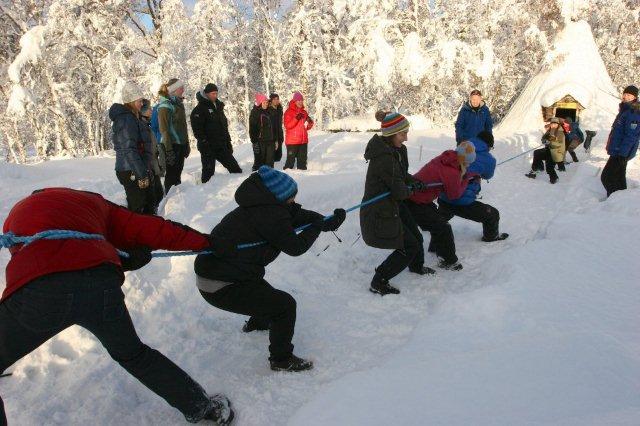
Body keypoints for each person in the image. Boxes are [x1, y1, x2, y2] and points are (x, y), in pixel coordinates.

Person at [0, 188, 235, 425]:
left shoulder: (19, 212)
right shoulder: (95, 203)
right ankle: (204, 409)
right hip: (99, 286)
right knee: (134, 355)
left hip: (39, 291)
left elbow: (40, 256)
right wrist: (207, 242)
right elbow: (152, 229)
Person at [194, 166, 346, 372]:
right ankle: (281, 360)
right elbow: (295, 247)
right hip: (220, 284)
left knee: (266, 294)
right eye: (291, 199)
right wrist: (317, 226)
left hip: (231, 274)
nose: (293, 202)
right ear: (279, 199)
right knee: (284, 306)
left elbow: (296, 216)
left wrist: (327, 222)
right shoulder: (269, 215)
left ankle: (258, 323)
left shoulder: (261, 206)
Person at [360, 111, 438, 297]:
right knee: (408, 245)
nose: (406, 137)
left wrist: (413, 181)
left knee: (416, 237)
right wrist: (411, 188)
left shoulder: (397, 150)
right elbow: (400, 191)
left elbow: (401, 178)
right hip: (381, 209)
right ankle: (379, 280)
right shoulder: (385, 158)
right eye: (403, 134)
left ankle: (416, 267)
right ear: (391, 134)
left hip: (393, 204)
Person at [405, 142, 476, 271]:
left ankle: (437, 249)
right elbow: (454, 195)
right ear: (462, 161)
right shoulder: (452, 172)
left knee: (438, 221)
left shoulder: (445, 158)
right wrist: (465, 179)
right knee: (443, 227)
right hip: (414, 201)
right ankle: (449, 261)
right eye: (468, 163)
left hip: (417, 198)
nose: (469, 165)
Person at [438, 131, 509, 243]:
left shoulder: (461, 147)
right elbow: (488, 175)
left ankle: (436, 222)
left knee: (446, 209)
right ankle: (491, 237)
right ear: (489, 146)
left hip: (443, 198)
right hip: (462, 203)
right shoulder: (489, 159)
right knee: (493, 214)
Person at [110, 81, 155, 214]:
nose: (142, 104)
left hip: (135, 168)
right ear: (130, 100)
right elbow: (129, 149)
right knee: (138, 208)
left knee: (146, 204)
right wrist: (141, 174)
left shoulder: (132, 117)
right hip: (130, 169)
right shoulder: (126, 119)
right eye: (139, 101)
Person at [190, 83, 242, 183]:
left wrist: (228, 142)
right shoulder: (199, 109)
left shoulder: (218, 107)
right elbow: (197, 130)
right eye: (213, 93)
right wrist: (205, 142)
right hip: (207, 147)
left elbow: (224, 127)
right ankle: (204, 194)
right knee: (208, 175)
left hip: (221, 145)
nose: (215, 95)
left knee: (236, 169)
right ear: (206, 94)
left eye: (216, 93)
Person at [601, 85, 640, 197]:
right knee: (619, 178)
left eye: (629, 95)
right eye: (625, 94)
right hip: (618, 151)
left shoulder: (633, 112)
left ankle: (613, 200)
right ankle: (620, 202)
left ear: (634, 97)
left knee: (606, 177)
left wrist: (622, 155)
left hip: (621, 152)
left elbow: (631, 136)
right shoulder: (625, 110)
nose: (626, 96)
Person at [158, 78, 191, 194]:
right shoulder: (165, 106)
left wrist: (186, 144)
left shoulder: (178, 103)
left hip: (180, 145)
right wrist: (169, 150)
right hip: (171, 146)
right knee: (172, 175)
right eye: (181, 87)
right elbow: (164, 130)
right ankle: (169, 199)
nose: (183, 89)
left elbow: (182, 126)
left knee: (178, 173)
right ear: (174, 90)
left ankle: (177, 198)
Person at [141, 99, 165, 212]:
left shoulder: (147, 125)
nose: (151, 111)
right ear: (142, 111)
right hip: (148, 168)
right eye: (149, 109)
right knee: (154, 196)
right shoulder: (142, 126)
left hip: (153, 166)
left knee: (159, 194)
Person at [525, 117, 566, 184]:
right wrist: (544, 140)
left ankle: (554, 178)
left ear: (558, 124)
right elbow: (544, 137)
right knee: (537, 153)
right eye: (552, 123)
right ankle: (537, 169)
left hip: (556, 152)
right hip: (549, 149)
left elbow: (559, 143)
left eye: (555, 124)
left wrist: (550, 142)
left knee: (549, 165)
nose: (553, 125)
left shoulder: (560, 132)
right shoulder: (550, 130)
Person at [283, 92, 314, 170]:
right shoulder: (288, 112)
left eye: (301, 100)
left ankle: (303, 178)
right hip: (292, 142)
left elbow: (307, 127)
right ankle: (286, 177)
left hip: (303, 141)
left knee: (302, 162)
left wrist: (310, 122)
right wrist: (296, 118)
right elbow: (288, 126)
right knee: (290, 163)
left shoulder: (304, 112)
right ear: (294, 101)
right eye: (298, 100)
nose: (300, 102)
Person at [249, 93, 276, 169]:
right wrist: (254, 142)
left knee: (270, 163)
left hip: (270, 141)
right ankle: (257, 177)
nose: (266, 104)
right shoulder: (255, 112)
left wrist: (275, 139)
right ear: (259, 103)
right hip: (260, 141)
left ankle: (270, 178)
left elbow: (273, 127)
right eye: (264, 102)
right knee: (260, 163)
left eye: (267, 102)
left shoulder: (269, 111)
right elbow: (252, 128)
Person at [269, 93, 284, 162]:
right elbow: (271, 126)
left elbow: (279, 125)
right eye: (274, 99)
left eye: (277, 99)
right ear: (271, 100)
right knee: (272, 158)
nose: (276, 100)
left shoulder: (279, 110)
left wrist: (281, 137)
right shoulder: (269, 111)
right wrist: (275, 140)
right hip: (272, 138)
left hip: (279, 136)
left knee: (279, 157)